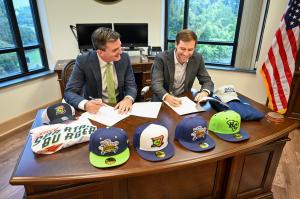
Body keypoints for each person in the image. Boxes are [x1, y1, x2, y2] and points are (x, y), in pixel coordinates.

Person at [64, 27, 137, 114]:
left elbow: (131, 85)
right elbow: (69, 92)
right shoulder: (83, 61)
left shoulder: (124, 58)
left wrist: (128, 99)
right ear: (100, 52)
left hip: (119, 108)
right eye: (115, 50)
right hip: (96, 110)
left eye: (120, 46)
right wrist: (86, 104)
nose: (120, 52)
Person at [151, 29, 214, 107]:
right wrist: (167, 97)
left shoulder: (197, 58)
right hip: (162, 101)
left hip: (183, 102)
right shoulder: (161, 58)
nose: (186, 53)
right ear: (176, 44)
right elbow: (156, 84)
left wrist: (204, 92)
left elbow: (207, 81)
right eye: (183, 49)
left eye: (190, 49)